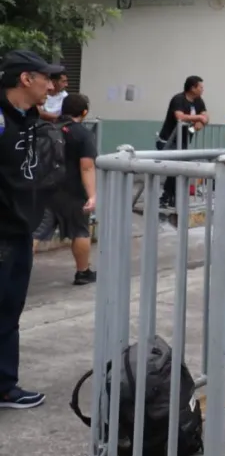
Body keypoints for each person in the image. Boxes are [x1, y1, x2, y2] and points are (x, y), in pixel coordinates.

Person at [0, 50, 65, 410]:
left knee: (10, 309)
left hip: (18, 230)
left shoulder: (27, 117)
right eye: (46, 78)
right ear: (25, 79)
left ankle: (4, 386)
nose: (52, 86)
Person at [49, 94, 98, 285]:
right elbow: (87, 167)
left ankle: (16, 271)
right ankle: (83, 272)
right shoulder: (83, 134)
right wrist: (92, 195)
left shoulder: (49, 129)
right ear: (84, 112)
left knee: (35, 232)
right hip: (73, 191)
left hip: (45, 189)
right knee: (80, 231)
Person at [157, 76, 209, 208]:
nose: (203, 89)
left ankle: (169, 198)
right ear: (192, 88)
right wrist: (199, 117)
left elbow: (206, 117)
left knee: (178, 169)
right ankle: (168, 197)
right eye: (200, 87)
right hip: (168, 141)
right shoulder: (178, 99)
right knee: (175, 168)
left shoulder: (198, 101)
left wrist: (200, 123)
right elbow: (179, 117)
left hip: (183, 141)